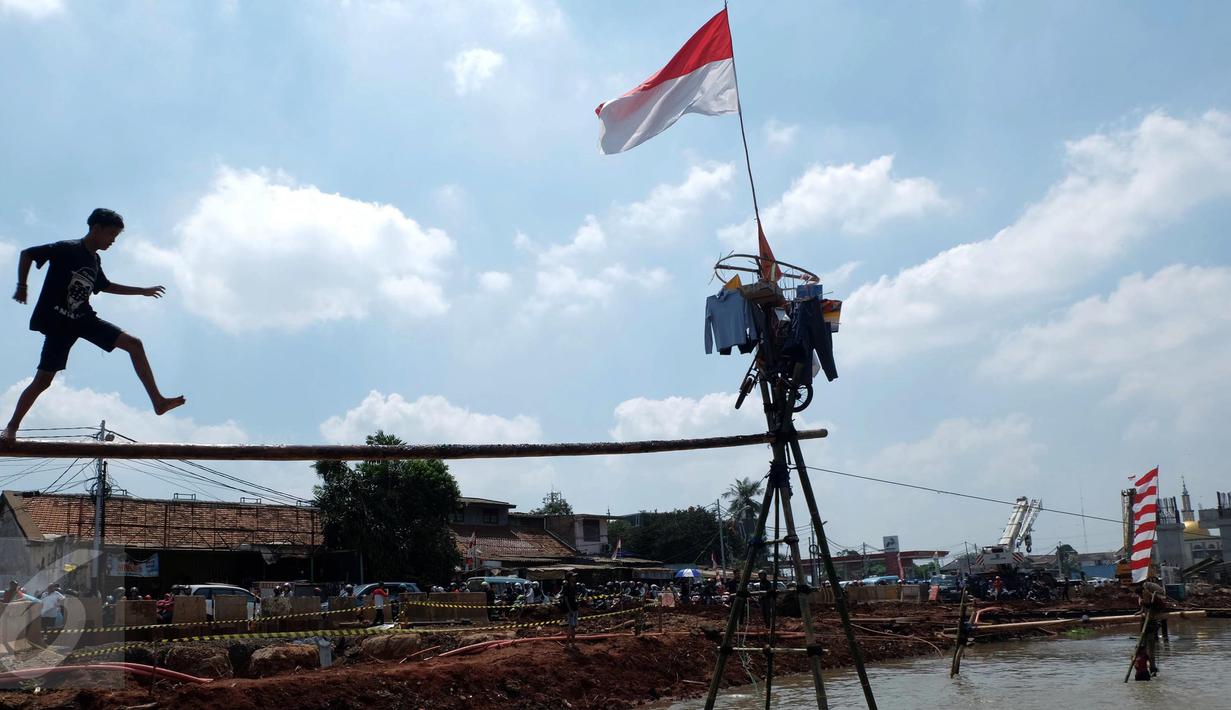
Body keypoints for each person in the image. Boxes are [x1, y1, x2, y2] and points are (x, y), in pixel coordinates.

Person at [2, 209, 185, 443]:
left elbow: (105, 286)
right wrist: (22, 286)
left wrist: (142, 291)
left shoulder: (94, 260)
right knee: (43, 380)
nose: (113, 241)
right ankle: (12, 427)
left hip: (83, 319)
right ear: (96, 229)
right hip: (60, 323)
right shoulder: (67, 248)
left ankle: (158, 401)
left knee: (134, 344)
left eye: (116, 237)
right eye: (111, 234)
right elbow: (27, 254)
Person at [561, 571, 580, 648]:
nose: (574, 577)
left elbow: (575, 597)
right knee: (571, 626)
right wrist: (569, 609)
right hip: (570, 609)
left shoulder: (574, 586)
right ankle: (567, 644)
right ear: (569, 578)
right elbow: (565, 599)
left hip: (575, 607)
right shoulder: (566, 586)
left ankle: (573, 643)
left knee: (574, 626)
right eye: (573, 576)